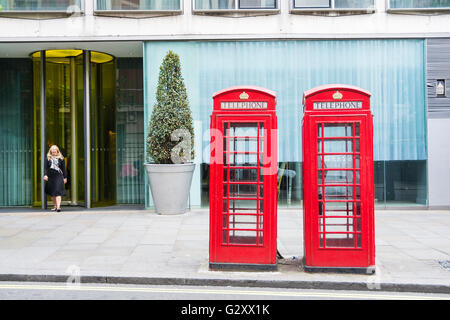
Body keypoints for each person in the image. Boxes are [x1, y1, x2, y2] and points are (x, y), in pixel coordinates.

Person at [43, 145, 67, 212]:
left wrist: (65, 177)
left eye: (54, 151)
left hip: (58, 176)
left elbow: (63, 169)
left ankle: (58, 207)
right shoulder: (47, 158)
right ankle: (55, 206)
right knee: (53, 192)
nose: (53, 152)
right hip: (50, 176)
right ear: (50, 151)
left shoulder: (61, 158)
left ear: (57, 151)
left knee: (58, 191)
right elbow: (45, 168)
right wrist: (45, 175)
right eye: (52, 151)